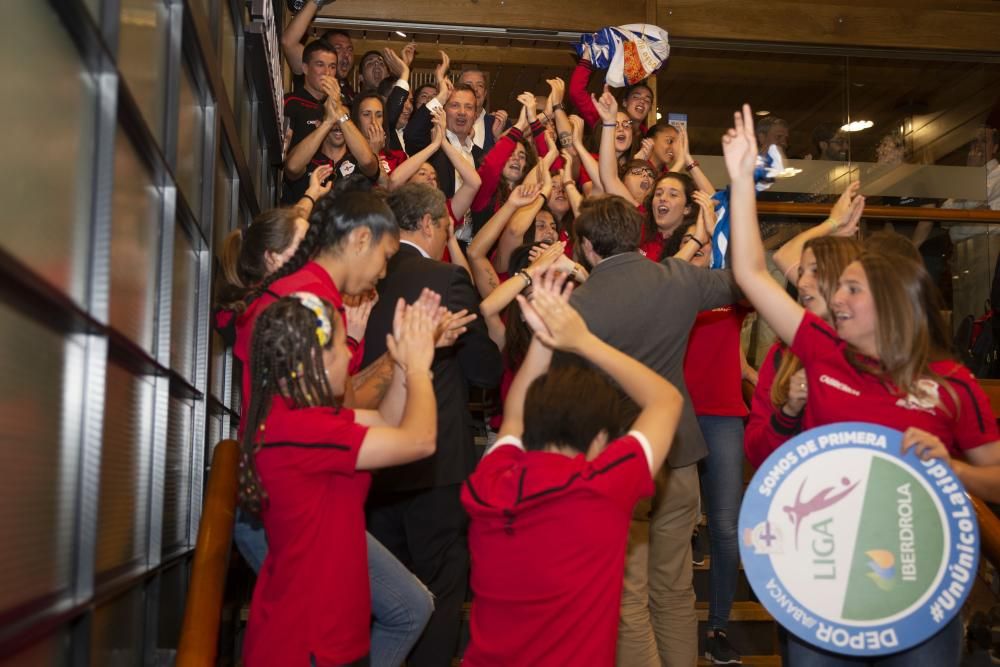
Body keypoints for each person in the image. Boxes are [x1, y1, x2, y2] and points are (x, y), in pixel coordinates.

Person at [724, 103, 1000, 665]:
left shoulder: (951, 383)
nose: (834, 300)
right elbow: (752, 273)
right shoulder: (823, 353)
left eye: (851, 289)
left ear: (893, 301)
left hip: (919, 588)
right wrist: (740, 181)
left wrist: (957, 470)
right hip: (824, 580)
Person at [461, 268, 684, 666]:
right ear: (600, 440)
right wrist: (582, 341)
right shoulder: (600, 489)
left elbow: (512, 419)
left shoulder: (487, 484)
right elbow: (667, 400)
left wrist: (544, 340)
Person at [560, 195, 741, 667]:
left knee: (627, 598)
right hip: (678, 455)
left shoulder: (577, 306)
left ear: (585, 247)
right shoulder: (676, 279)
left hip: (617, 463)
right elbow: (743, 283)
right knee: (676, 590)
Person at [240, 292, 438, 667]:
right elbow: (419, 440)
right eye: (339, 347)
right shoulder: (303, 429)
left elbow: (389, 423)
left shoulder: (299, 414)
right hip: (307, 641)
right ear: (313, 360)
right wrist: (417, 368)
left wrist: (398, 363)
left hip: (330, 632)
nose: (350, 354)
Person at [362, 183, 503, 666]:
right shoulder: (444, 279)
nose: (447, 232)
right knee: (440, 593)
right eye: (446, 224)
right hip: (435, 463)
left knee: (386, 598)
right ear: (427, 223)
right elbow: (484, 370)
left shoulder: (366, 276)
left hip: (374, 459)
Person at [283, 77, 379, 204]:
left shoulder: (358, 160)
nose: (339, 125)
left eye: (345, 119)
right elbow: (292, 167)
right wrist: (328, 121)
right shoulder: (308, 160)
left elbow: (368, 162)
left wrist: (338, 111)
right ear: (318, 124)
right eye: (333, 119)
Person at [404, 54, 483, 198]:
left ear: (475, 115)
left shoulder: (480, 156)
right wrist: (441, 96)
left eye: (469, 107)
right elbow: (411, 135)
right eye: (455, 105)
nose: (462, 112)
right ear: (443, 110)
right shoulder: (431, 144)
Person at [569, 42, 652, 133]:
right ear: (625, 102)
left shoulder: (650, 137)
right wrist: (586, 57)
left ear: (650, 109)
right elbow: (577, 92)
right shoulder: (606, 121)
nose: (642, 101)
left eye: (647, 100)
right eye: (636, 96)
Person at [281, 4, 356, 103]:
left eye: (349, 49)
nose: (346, 54)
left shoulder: (349, 93)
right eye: (339, 48)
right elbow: (288, 42)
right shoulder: (313, 68)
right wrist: (315, 3)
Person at [458, 68, 508, 152]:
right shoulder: (447, 122)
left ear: (485, 94)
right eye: (468, 85)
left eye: (480, 85)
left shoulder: (500, 123)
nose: (475, 89)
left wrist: (498, 139)